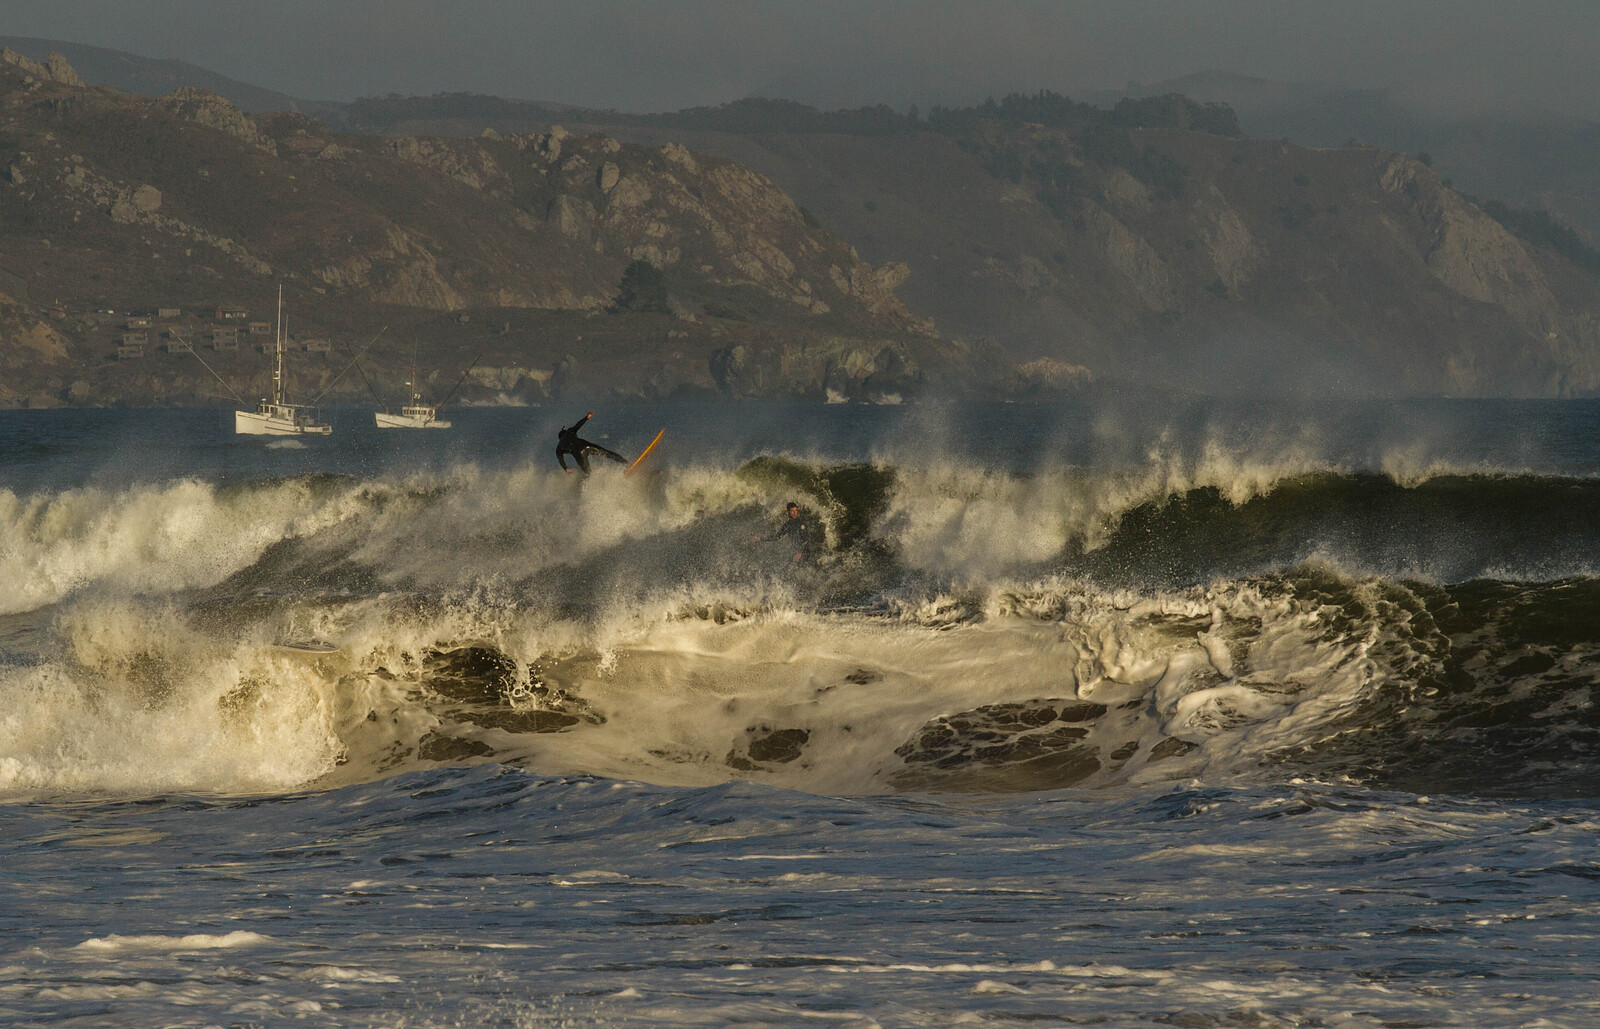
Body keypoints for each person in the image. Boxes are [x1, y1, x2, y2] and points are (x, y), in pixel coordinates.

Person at [555, 411, 627, 474]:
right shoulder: (570, 431)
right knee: (607, 453)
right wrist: (587, 417)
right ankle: (626, 463)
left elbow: (561, 460)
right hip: (586, 446)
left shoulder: (559, 448)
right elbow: (578, 425)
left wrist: (566, 468)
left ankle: (591, 485)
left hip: (579, 454)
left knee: (588, 473)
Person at [753, 500, 819, 564]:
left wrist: (801, 552)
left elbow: (806, 539)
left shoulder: (800, 522)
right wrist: (760, 539)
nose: (795, 513)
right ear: (788, 512)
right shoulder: (787, 525)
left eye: (796, 510)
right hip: (797, 553)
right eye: (792, 511)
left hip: (806, 552)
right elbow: (777, 537)